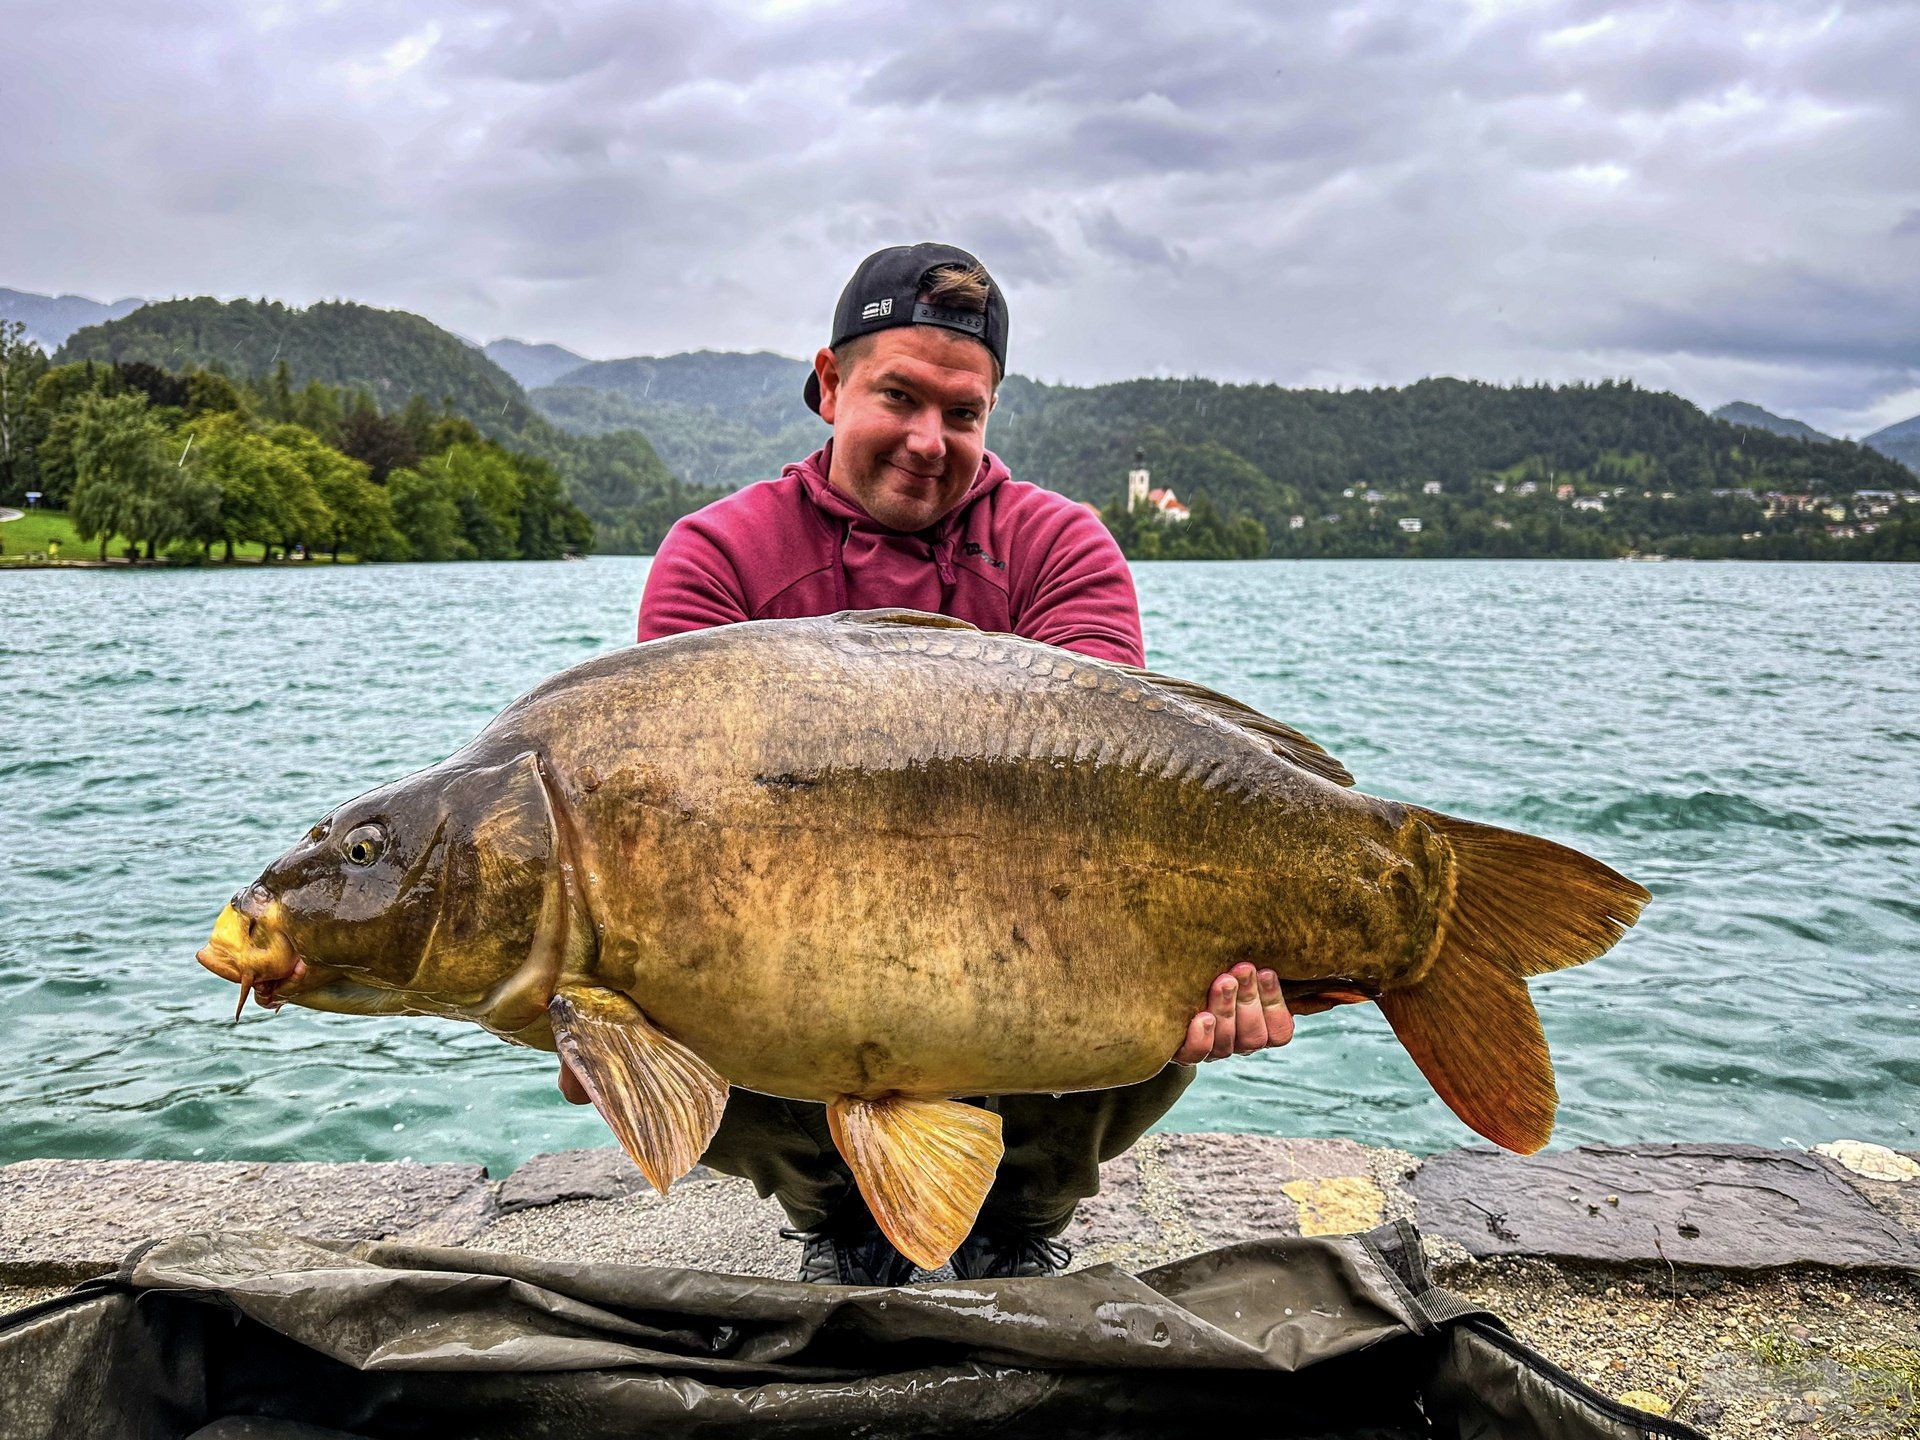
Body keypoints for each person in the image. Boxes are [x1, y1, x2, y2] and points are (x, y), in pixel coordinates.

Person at [559, 243, 1293, 1283]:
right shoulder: (716, 558)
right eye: (897, 396)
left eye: (963, 412)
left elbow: (1113, 789)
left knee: (1162, 960)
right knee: (653, 991)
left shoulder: (1063, 548)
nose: (927, 440)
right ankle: (843, 1222)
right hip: (781, 965)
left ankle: (1019, 1220)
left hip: (1028, 940)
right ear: (827, 385)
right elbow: (659, 818)